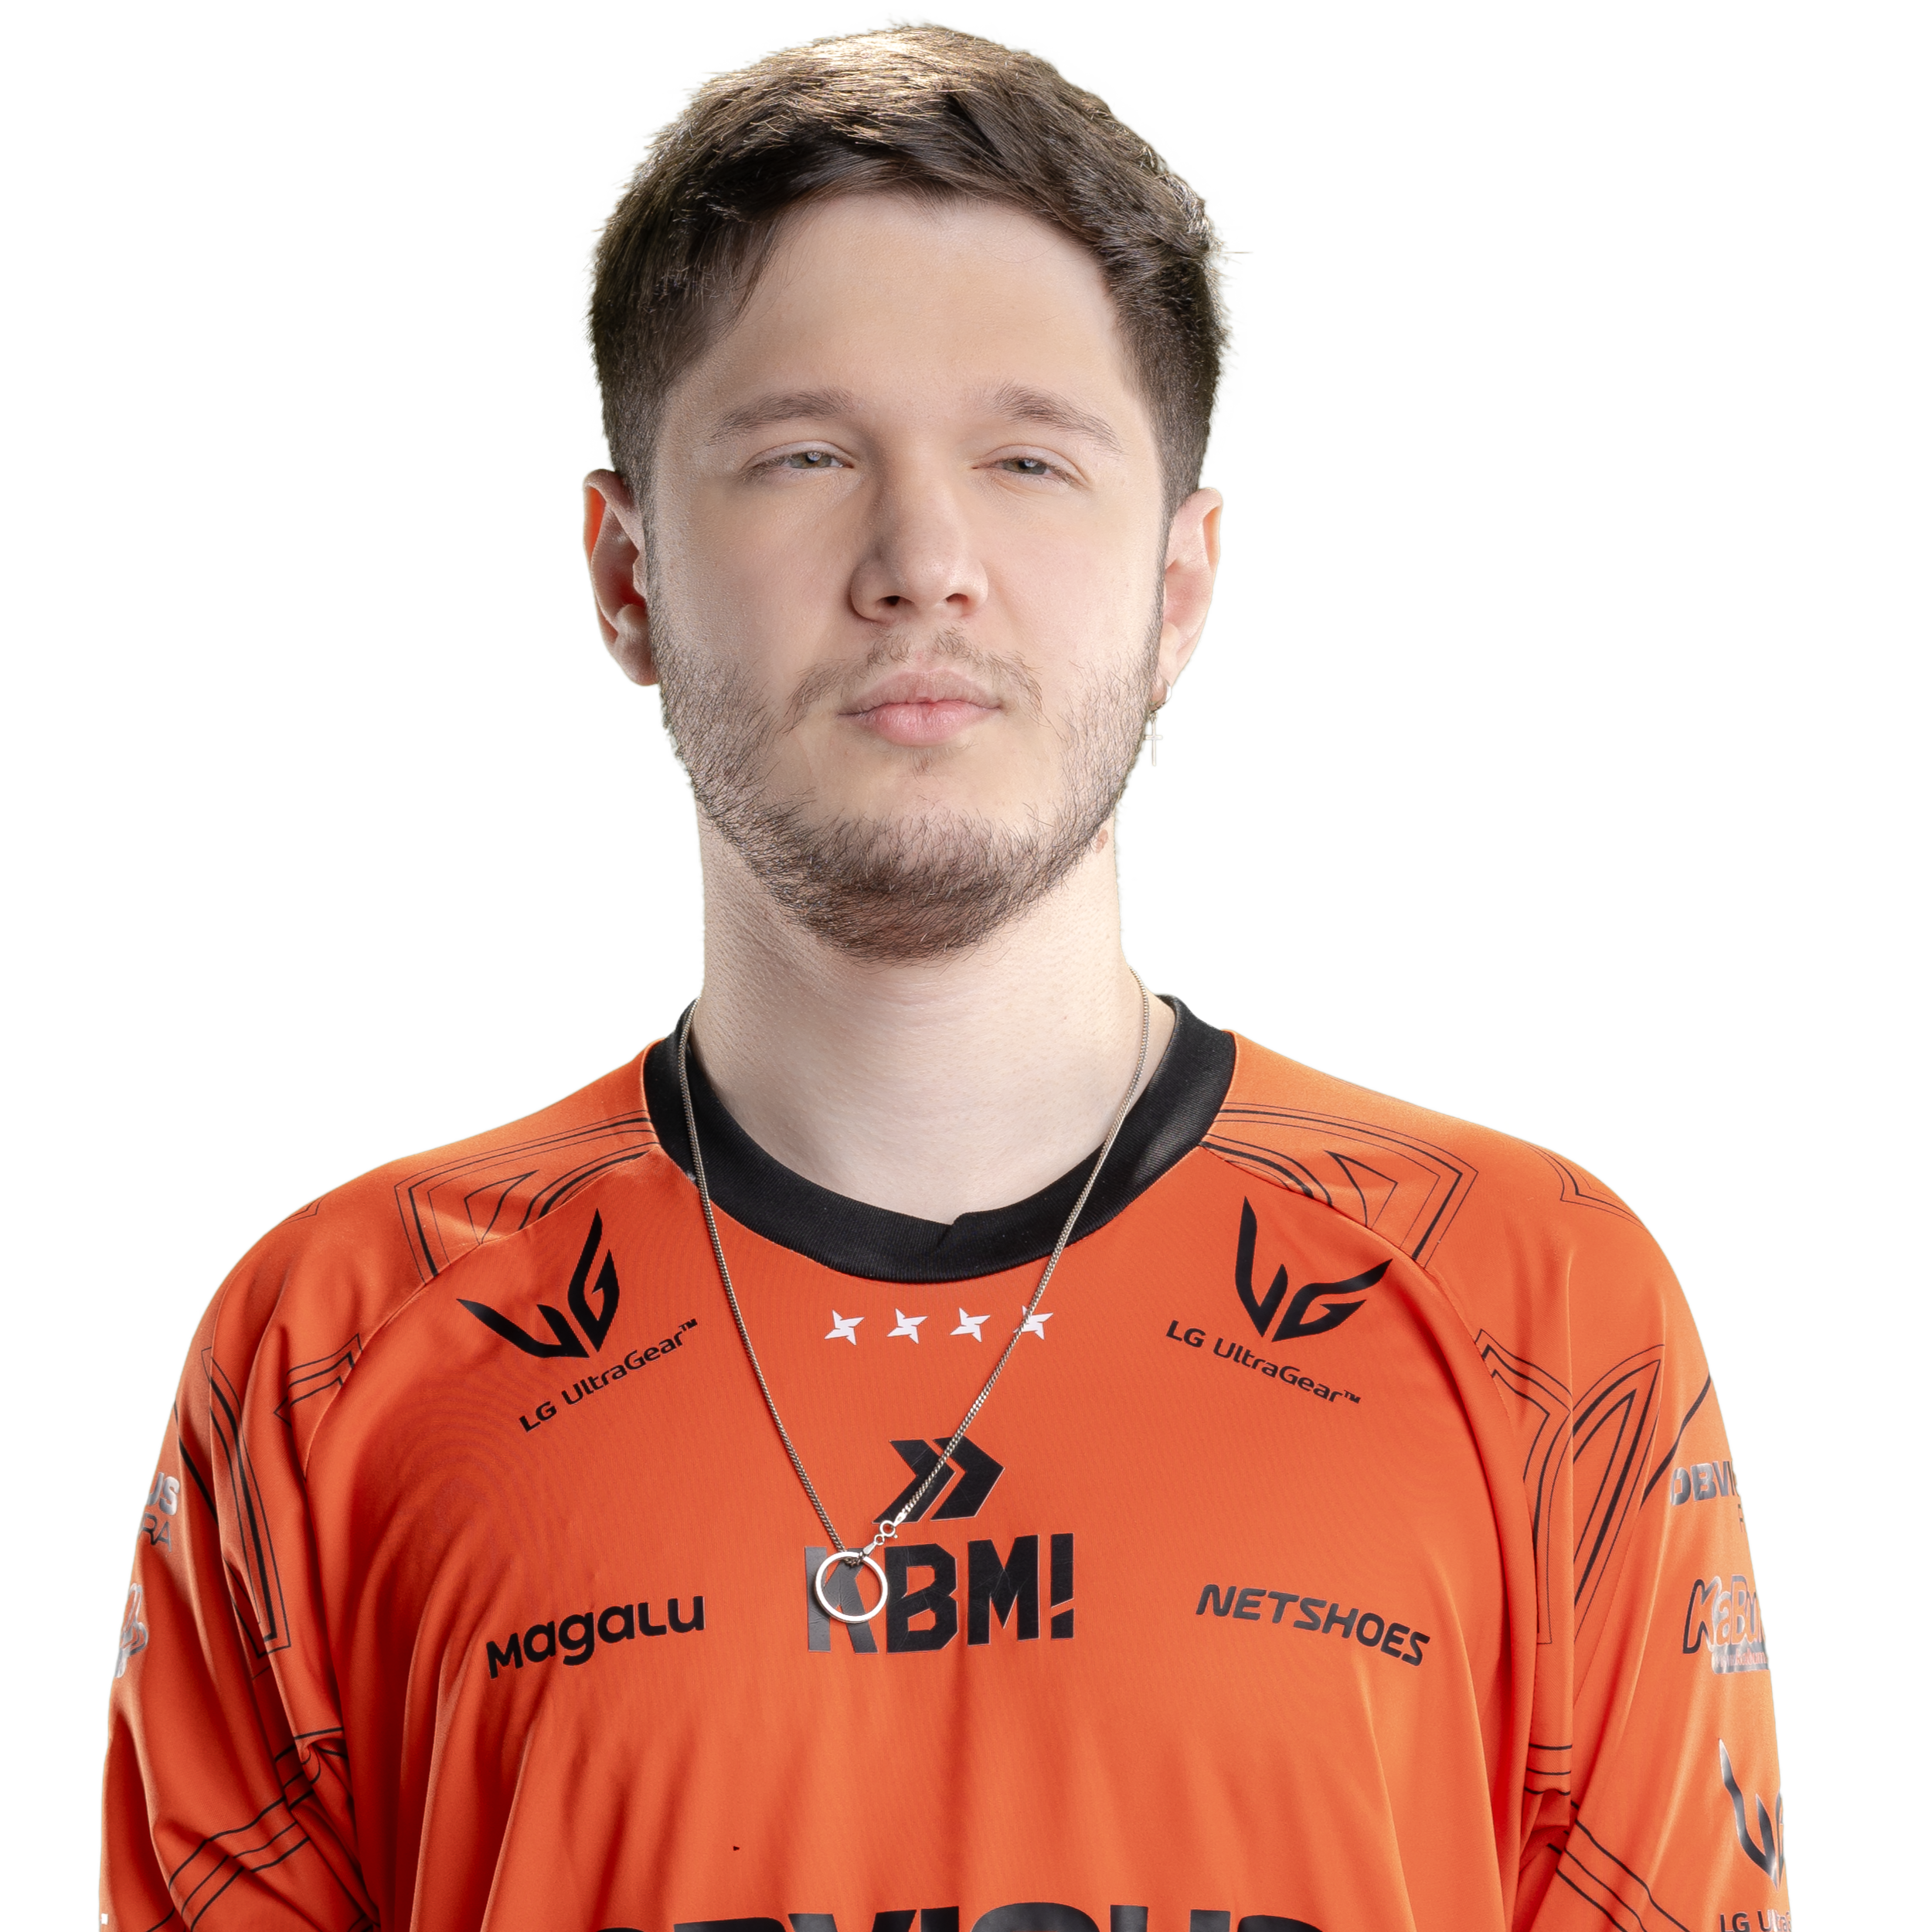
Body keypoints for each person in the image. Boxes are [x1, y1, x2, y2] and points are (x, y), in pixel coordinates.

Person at [100, 24, 1789, 1932]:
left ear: (1177, 584)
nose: (922, 558)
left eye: (1026, 457)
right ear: (625, 571)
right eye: (804, 454)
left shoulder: (1535, 1309)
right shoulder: (333, 1351)